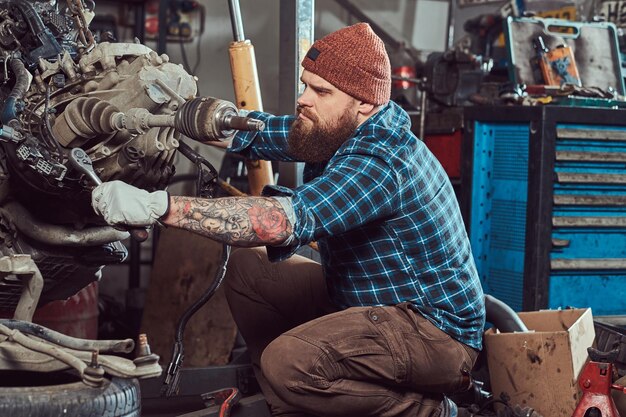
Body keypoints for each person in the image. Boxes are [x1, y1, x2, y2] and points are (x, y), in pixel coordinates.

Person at [92, 23, 485, 417]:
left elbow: (279, 222)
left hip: (434, 334)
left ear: (364, 103)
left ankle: (436, 412)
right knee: (249, 268)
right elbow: (262, 132)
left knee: (289, 361)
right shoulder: (340, 126)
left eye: (321, 92)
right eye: (305, 85)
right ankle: (295, 398)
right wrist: (179, 115)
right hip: (365, 302)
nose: (303, 100)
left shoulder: (382, 161)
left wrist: (160, 207)